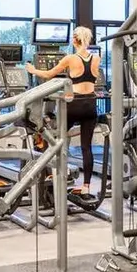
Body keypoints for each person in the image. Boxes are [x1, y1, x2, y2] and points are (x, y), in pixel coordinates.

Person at [26, 26, 99, 197]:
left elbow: (48, 75)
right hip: (90, 104)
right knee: (86, 147)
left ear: (74, 40)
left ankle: (57, 173)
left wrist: (32, 70)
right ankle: (86, 187)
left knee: (55, 139)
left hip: (75, 104)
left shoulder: (70, 59)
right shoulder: (96, 58)